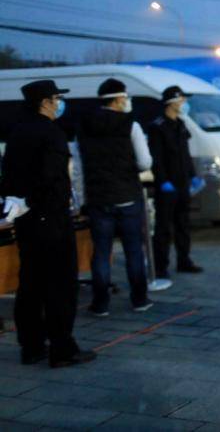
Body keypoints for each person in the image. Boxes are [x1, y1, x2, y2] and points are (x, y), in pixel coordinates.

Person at [0, 80, 96, 367]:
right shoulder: (50, 132)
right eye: (56, 99)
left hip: (26, 219)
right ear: (45, 102)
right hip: (50, 218)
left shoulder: (17, 131)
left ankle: (31, 346)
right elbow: (50, 177)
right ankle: (62, 348)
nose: (59, 104)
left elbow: (10, 177)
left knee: (30, 283)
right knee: (61, 286)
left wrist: (23, 203)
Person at [79, 79, 153, 316]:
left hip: (98, 198)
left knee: (101, 252)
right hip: (128, 196)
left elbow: (78, 167)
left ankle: (100, 304)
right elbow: (145, 162)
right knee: (133, 250)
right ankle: (139, 300)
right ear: (118, 99)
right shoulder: (131, 125)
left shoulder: (84, 125)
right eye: (126, 97)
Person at [148, 86, 205, 278]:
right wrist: (163, 181)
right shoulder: (158, 126)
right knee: (164, 228)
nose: (184, 104)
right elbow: (156, 158)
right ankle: (160, 267)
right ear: (172, 102)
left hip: (182, 184)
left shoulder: (180, 124)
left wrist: (193, 175)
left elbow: (185, 154)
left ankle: (184, 261)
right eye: (181, 100)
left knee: (183, 224)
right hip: (167, 185)